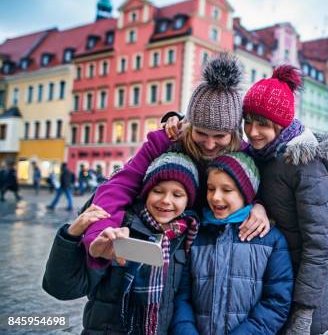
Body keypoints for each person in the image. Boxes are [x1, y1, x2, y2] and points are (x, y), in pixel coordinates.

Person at [83, 53, 270, 269]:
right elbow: (119, 187)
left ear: (235, 133)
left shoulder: (244, 156)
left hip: (206, 258)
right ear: (188, 125)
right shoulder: (164, 141)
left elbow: (264, 190)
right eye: (201, 133)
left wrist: (259, 206)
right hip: (161, 251)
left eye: (220, 136)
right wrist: (100, 233)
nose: (209, 144)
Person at [44, 151, 200, 334]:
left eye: (177, 194)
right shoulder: (116, 229)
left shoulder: (187, 236)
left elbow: (183, 298)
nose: (166, 200)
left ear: (188, 200)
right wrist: (71, 236)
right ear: (145, 193)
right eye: (157, 191)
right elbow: (62, 288)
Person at [241, 65, 328, 335]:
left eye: (262, 124)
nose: (252, 131)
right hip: (273, 290)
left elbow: (320, 244)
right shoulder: (258, 155)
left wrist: (304, 312)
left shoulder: (303, 163)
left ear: (281, 124)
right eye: (247, 121)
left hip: (302, 296)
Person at [172, 152, 293, 334]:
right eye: (211, 188)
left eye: (227, 190)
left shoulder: (271, 240)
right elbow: (182, 295)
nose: (215, 197)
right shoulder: (195, 234)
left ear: (246, 193)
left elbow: (276, 302)